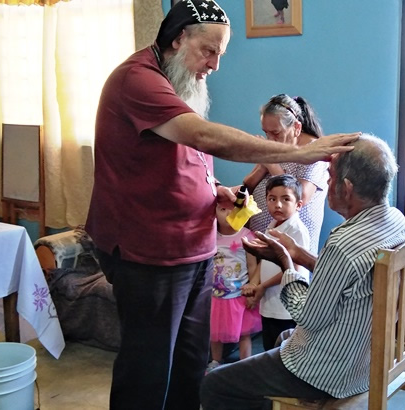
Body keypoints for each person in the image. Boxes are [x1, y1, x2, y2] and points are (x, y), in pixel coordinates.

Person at [85, 1, 358, 408]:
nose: (214, 65)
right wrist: (300, 153)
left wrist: (212, 189)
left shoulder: (177, 79)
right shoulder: (137, 80)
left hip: (194, 247)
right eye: (208, 51)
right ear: (178, 39)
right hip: (150, 251)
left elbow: (178, 155)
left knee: (191, 363)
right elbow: (202, 137)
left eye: (221, 54)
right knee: (148, 368)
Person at [200, 134, 405, 409]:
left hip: (330, 371)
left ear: (347, 187)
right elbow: (354, 279)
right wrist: (300, 254)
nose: (327, 183)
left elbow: (307, 317)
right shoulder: (397, 222)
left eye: (331, 176)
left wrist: (286, 263)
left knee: (215, 384)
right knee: (283, 339)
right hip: (367, 359)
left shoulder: (343, 244)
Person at [244, 94, 328, 254]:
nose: (270, 140)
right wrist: (264, 164)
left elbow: (301, 195)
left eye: (276, 133)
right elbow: (248, 184)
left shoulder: (313, 153)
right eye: (266, 133)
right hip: (261, 242)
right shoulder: (277, 148)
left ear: (296, 128)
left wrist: (269, 162)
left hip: (292, 249)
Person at [250, 174, 310, 351]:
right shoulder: (272, 225)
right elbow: (265, 260)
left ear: (298, 205)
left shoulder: (296, 230)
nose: (278, 205)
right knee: (269, 347)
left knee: (284, 351)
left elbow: (293, 269)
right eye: (272, 199)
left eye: (286, 199)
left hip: (286, 306)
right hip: (270, 303)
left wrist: (263, 286)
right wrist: (255, 283)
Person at [208, 202, 262, 373]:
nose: (228, 214)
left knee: (244, 332)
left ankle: (245, 364)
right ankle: (215, 361)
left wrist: (252, 288)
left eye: (233, 209)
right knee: (215, 332)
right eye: (222, 209)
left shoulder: (247, 237)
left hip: (239, 295)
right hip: (216, 295)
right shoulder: (211, 235)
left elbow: (253, 266)